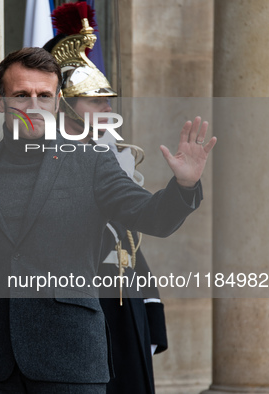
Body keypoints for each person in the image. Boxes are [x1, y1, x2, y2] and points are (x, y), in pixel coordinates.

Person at [0, 46, 215, 393]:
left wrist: (184, 185)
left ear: (57, 101)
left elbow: (151, 217)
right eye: (21, 95)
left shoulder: (93, 161)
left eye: (43, 95)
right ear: (0, 101)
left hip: (72, 355)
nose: (33, 105)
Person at [45, 3, 168, 392]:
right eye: (96, 100)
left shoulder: (115, 154)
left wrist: (150, 308)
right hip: (77, 305)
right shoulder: (45, 158)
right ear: (65, 103)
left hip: (124, 298)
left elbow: (133, 236)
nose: (108, 108)